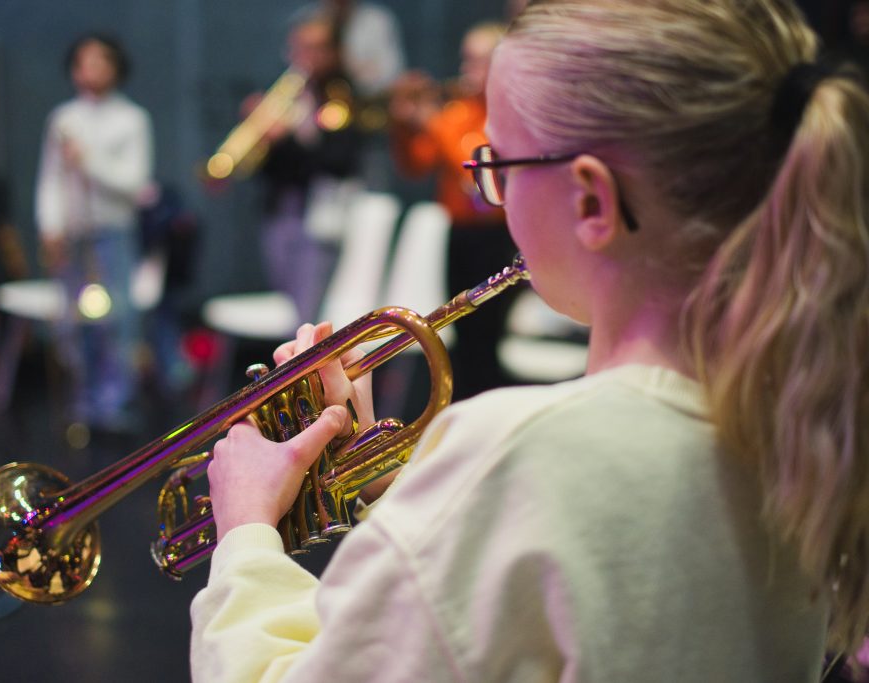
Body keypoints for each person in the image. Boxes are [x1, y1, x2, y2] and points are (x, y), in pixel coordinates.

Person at [189, 0, 869, 681]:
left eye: (499, 166)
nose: (495, 191)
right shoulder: (800, 425)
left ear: (591, 202)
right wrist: (392, 483)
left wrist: (246, 531)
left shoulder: (522, 449)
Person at [389, 21, 516, 400]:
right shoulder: (456, 111)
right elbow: (416, 165)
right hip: (459, 234)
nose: (466, 68)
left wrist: (431, 121)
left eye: (478, 60)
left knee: (485, 336)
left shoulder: (504, 115)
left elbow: (476, 173)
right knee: (460, 331)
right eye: (467, 58)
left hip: (494, 237)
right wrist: (402, 124)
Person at [35, 33, 153, 432]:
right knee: (74, 320)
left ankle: (115, 402)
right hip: (74, 233)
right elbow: (50, 179)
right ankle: (83, 401)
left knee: (116, 318)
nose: (90, 70)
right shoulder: (63, 118)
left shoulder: (131, 118)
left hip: (112, 232)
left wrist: (89, 160)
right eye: (83, 62)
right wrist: (50, 226)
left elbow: (134, 183)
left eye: (99, 61)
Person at [252, 14, 365, 323]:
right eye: (299, 48)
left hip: (320, 216)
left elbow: (339, 162)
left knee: (307, 315)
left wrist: (287, 138)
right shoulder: (287, 93)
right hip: (281, 209)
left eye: (315, 48)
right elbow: (269, 168)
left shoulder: (341, 96)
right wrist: (261, 134)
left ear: (334, 52)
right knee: (286, 308)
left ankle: (305, 371)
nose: (306, 57)